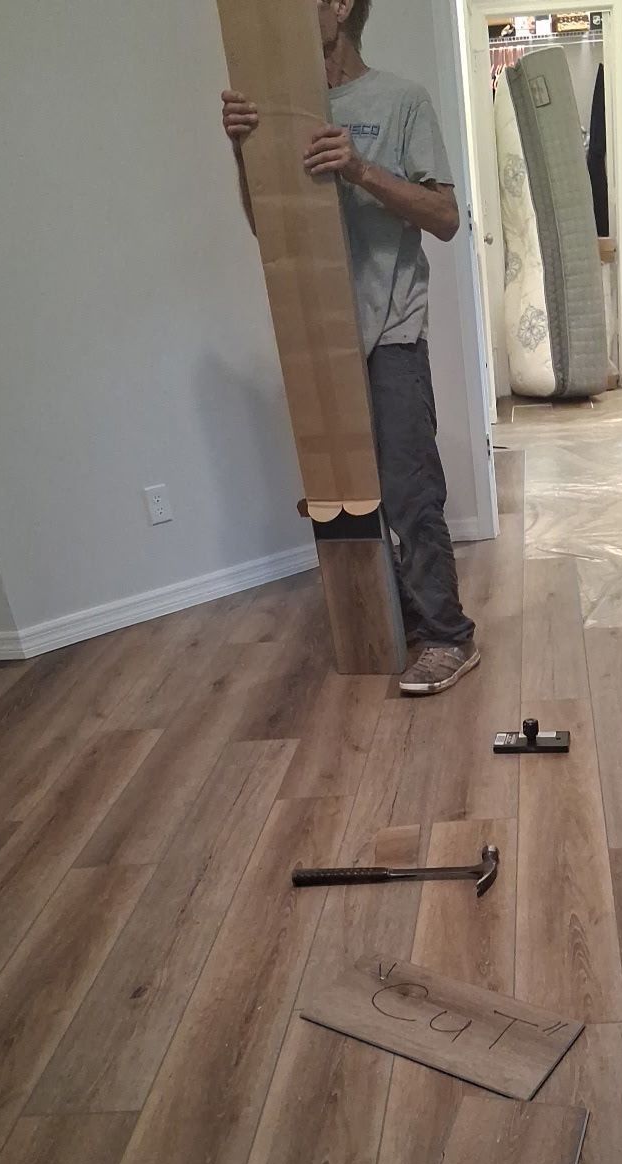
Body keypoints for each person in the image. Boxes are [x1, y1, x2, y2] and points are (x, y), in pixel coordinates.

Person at [222, 0, 479, 696]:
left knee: (409, 490)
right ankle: (395, 617)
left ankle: (449, 636)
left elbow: (446, 217)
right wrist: (244, 152)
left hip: (391, 329)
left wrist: (361, 170)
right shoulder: (275, 108)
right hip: (320, 338)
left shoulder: (401, 99)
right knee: (345, 497)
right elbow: (268, 227)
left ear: (339, 5)